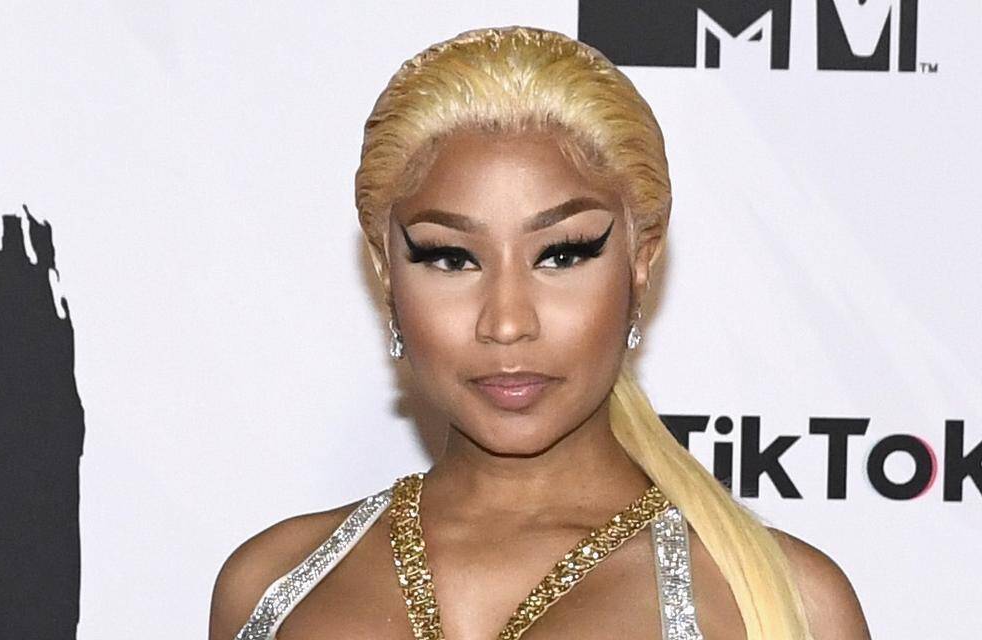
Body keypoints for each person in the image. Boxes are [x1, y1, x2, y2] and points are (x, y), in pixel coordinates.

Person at [208, 25, 870, 640]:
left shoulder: (782, 603)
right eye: (451, 259)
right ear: (386, 272)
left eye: (562, 255)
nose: (506, 323)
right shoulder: (271, 585)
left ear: (640, 261)